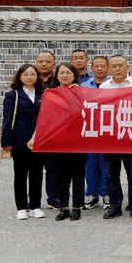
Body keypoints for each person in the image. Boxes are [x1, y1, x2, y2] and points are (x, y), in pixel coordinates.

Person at [100, 55, 132, 219]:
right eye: (114, 66)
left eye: (120, 65)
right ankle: (115, 205)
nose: (117, 69)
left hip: (131, 137)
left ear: (127, 67)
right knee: (111, 175)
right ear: (109, 69)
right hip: (110, 138)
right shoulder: (103, 87)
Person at [1, 64, 45, 220]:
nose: (29, 77)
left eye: (32, 74)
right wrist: (6, 141)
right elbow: (7, 119)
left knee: (37, 173)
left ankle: (35, 206)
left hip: (39, 140)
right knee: (20, 174)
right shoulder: (13, 95)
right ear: (20, 77)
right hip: (19, 140)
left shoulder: (43, 93)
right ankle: (21, 207)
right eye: (26, 74)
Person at [49, 62, 88, 222]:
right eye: (61, 73)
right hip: (58, 141)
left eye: (68, 73)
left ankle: (77, 207)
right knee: (61, 177)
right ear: (57, 76)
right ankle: (63, 206)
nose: (65, 75)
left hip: (78, 141)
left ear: (74, 76)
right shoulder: (50, 93)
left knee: (78, 176)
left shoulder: (82, 92)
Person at [83, 55, 110, 209]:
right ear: (91, 68)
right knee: (90, 164)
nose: (99, 69)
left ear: (108, 68)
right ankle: (91, 194)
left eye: (103, 66)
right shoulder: (84, 85)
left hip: (108, 130)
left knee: (106, 164)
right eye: (96, 66)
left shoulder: (113, 85)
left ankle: (106, 194)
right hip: (90, 131)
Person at [35, 50, 59, 210]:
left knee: (53, 167)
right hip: (33, 132)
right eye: (41, 61)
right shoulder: (30, 79)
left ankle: (54, 198)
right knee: (34, 169)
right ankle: (33, 201)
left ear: (54, 63)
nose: (44, 64)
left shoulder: (58, 81)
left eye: (48, 61)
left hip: (54, 131)